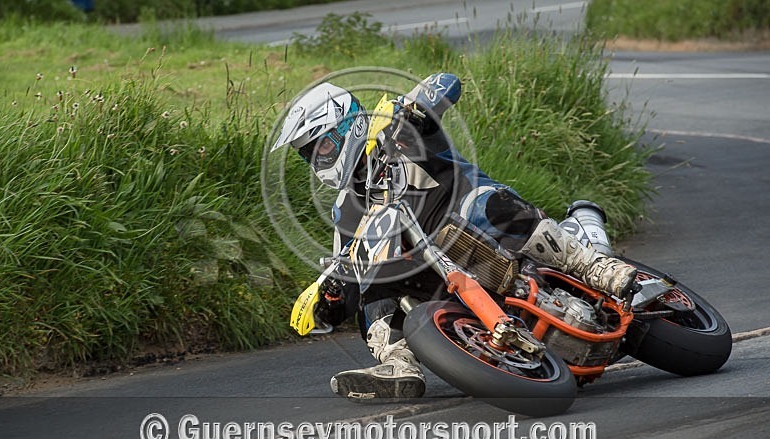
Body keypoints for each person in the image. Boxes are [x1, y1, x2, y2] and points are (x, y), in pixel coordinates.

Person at [271, 73, 637, 401]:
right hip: (434, 273)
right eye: (308, 154)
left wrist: (418, 109)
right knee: (369, 286)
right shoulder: (345, 210)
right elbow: (344, 285)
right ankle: (400, 365)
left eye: (321, 147)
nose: (317, 160)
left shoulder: (393, 132)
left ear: (347, 125)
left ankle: (594, 266)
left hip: (485, 227)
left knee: (482, 204)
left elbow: (446, 83)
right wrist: (332, 297)